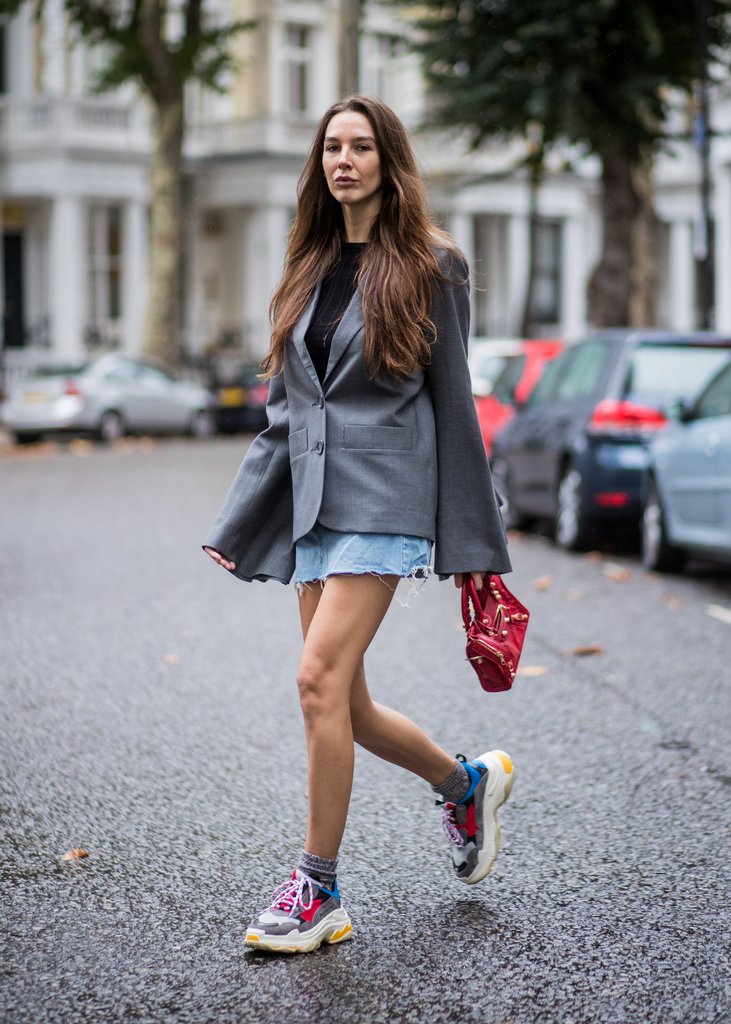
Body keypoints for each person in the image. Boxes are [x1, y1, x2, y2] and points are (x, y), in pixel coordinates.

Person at [203, 96, 514, 955]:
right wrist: (242, 517)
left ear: (388, 160)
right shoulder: (305, 264)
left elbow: (453, 403)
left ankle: (318, 889)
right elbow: (287, 408)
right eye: (332, 147)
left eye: (361, 146)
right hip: (314, 501)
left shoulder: (432, 264)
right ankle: (464, 784)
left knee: (314, 681)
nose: (344, 160)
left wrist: (474, 538)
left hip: (388, 498)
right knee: (346, 702)